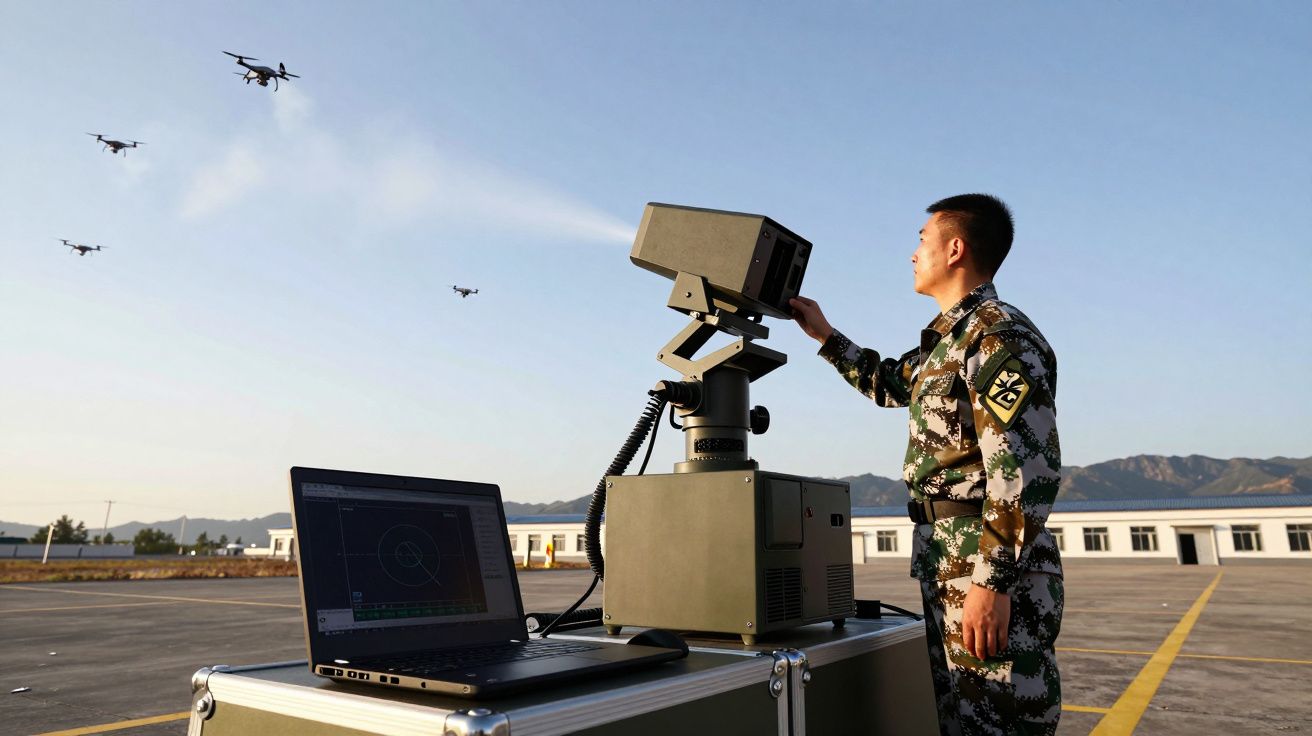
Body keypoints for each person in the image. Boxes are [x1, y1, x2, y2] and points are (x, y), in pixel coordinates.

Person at [789, 194, 1063, 735]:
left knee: (1001, 716)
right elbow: (891, 383)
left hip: (983, 565)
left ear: (955, 248)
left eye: (922, 240)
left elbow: (1025, 469)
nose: (913, 254)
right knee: (962, 720)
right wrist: (824, 334)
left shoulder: (996, 334)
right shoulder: (946, 341)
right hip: (947, 557)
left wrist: (993, 580)